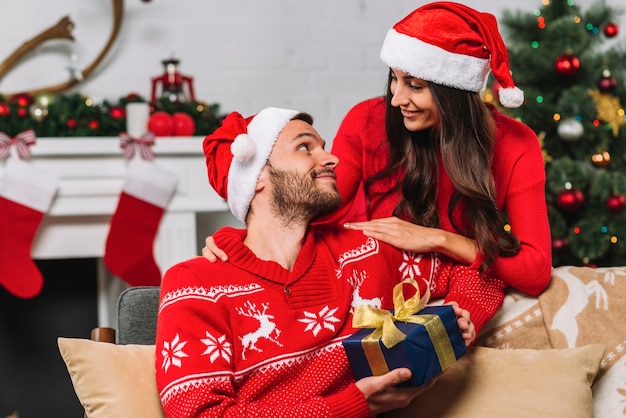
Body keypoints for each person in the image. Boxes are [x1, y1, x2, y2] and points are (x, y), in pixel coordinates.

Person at [155, 107, 478, 417]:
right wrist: (354, 406)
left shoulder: (367, 251)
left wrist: (453, 321)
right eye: (305, 147)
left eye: (322, 146)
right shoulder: (196, 283)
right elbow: (199, 414)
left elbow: (484, 272)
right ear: (256, 177)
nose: (330, 158)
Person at [325, 1, 553, 297]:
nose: (396, 99)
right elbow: (319, 217)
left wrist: (438, 239)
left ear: (453, 92)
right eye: (395, 79)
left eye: (415, 86)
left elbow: (535, 271)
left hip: (459, 291)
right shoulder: (365, 122)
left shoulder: (516, 144)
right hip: (378, 287)